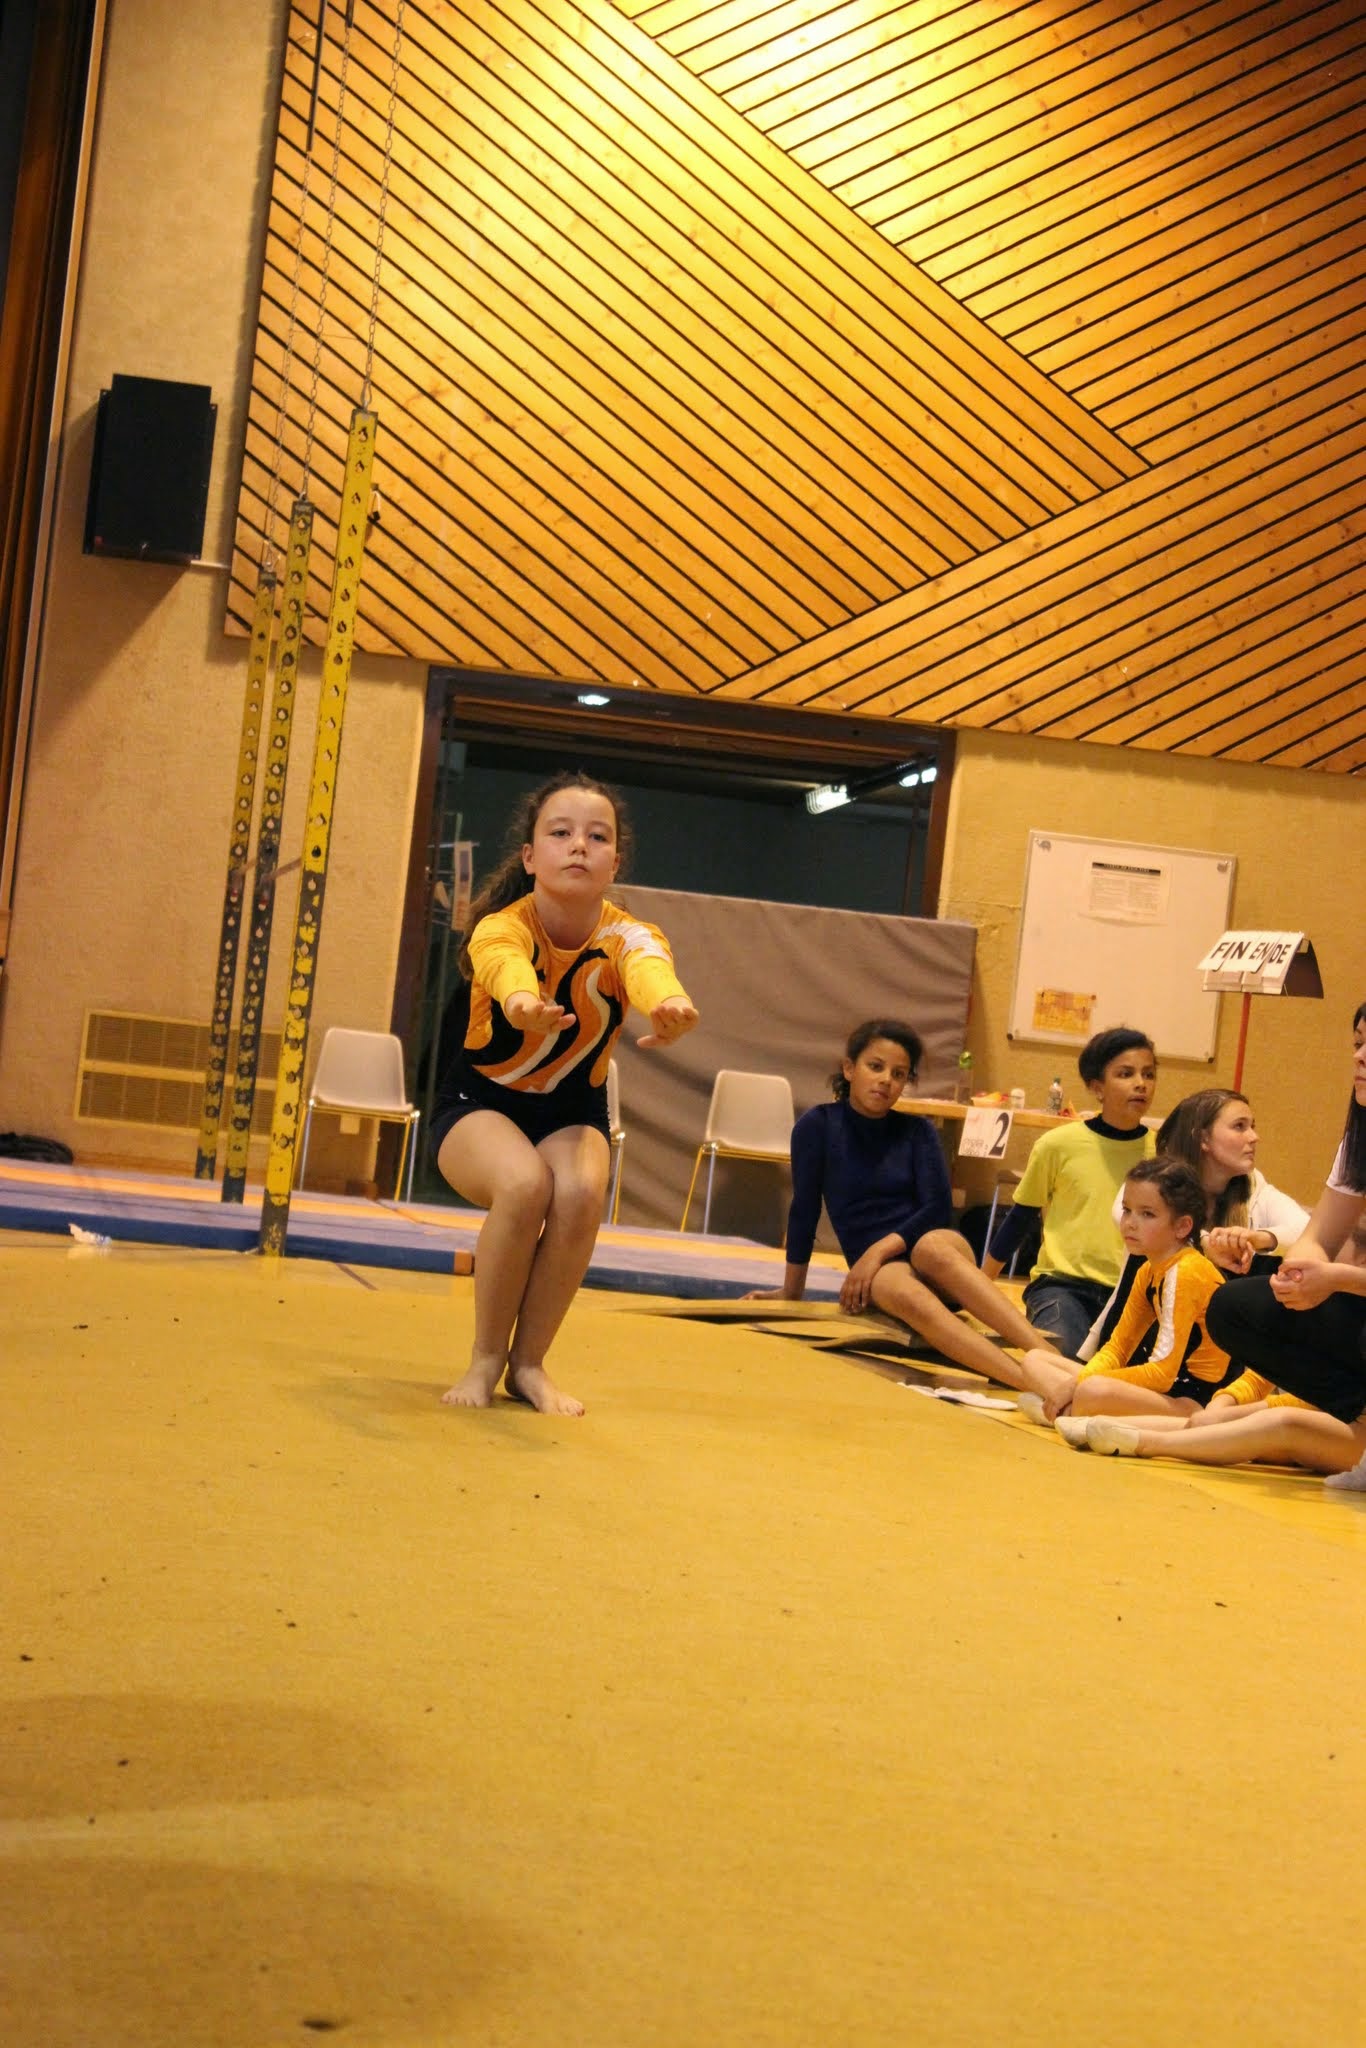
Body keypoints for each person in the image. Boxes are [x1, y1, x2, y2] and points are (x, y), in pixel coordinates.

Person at [432, 772, 698, 1416]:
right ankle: (486, 1358)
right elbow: (504, 965)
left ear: (615, 862)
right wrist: (521, 1002)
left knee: (579, 1194)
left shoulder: (629, 934)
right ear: (530, 856)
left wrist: (669, 1005)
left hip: (571, 1109)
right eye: (560, 832)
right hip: (479, 1103)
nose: (579, 845)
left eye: (597, 836)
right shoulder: (501, 927)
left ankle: (529, 1365)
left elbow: (649, 969)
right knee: (524, 1184)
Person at [744, 1019, 1053, 1388]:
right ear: (849, 1068)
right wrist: (792, 1292)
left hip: (938, 1257)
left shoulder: (918, 1131)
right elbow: (804, 1211)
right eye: (875, 1067)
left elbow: (937, 1208)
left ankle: (1049, 1357)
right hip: (885, 1275)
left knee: (930, 1248)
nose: (886, 1080)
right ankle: (1034, 1383)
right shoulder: (818, 1126)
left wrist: (877, 1251)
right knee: (904, 1290)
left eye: (899, 1073)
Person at [1187, 1000, 1366, 1484]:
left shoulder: (1257, 1189)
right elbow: (1316, 1234)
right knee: (1233, 1306)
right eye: (1357, 1043)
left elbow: (1293, 1227)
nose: (1359, 1057)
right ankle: (1353, 1419)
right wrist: (1297, 1273)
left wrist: (1334, 1276)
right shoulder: (1358, 1140)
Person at [936, 1026, 1158, 1360]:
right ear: (1097, 1086)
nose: (1141, 1083)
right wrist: (978, 1289)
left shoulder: (1163, 1151)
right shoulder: (1058, 1144)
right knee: (1058, 1361)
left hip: (1134, 1292)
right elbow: (1019, 1219)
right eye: (1126, 1074)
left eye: (1148, 1074)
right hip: (1063, 1287)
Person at [1011, 1156, 1235, 1435]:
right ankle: (1074, 1415)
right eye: (1127, 1210)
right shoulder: (1148, 1270)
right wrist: (1078, 1383)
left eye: (1147, 1214)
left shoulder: (1187, 1271)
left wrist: (1078, 1385)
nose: (1130, 1223)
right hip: (1163, 1392)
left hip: (1194, 1401)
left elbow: (1163, 1372)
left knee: (1092, 1389)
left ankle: (1070, 1413)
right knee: (1034, 1360)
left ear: (1182, 1226)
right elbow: (1117, 1348)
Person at [1077, 1087, 1309, 1357]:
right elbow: (1124, 1215)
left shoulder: (1254, 1186)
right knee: (1042, 1361)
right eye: (1239, 1126)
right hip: (1138, 1339)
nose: (1254, 1137)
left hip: (1209, 1353)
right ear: (1203, 1138)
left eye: (1252, 1127)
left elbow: (1306, 1229)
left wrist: (1258, 1238)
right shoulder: (1159, 1178)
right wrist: (1207, 1244)